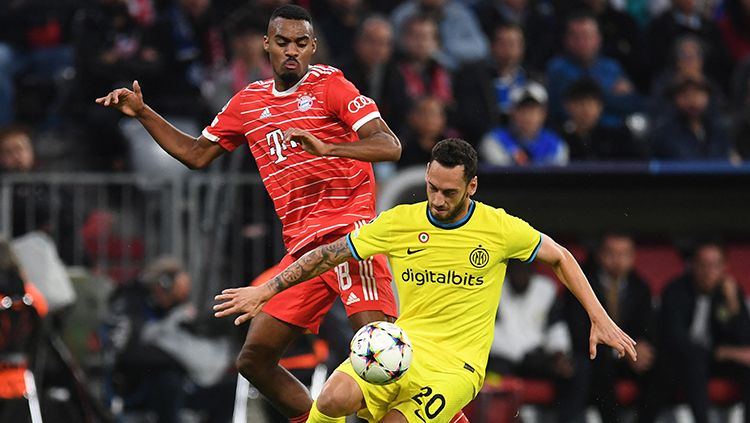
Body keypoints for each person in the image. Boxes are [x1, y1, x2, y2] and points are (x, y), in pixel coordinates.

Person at [96, 5, 402, 422]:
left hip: (351, 240)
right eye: (281, 43)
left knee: (379, 359)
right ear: (266, 46)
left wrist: (328, 147)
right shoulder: (248, 103)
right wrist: (144, 113)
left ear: (312, 47)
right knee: (254, 361)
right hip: (302, 252)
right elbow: (195, 154)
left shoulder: (332, 86)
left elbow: (389, 145)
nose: (290, 51)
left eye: (299, 43)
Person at [214, 138, 637, 423]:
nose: (436, 199)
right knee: (329, 400)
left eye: (448, 192)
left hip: (458, 366)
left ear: (471, 185)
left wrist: (600, 318)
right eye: (431, 187)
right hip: (401, 347)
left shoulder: (499, 228)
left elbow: (560, 257)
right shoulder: (401, 222)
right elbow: (328, 254)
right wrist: (265, 291)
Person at [561, 233, 656, 423]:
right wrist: (622, 347)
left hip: (630, 357)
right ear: (599, 255)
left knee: (661, 368)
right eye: (612, 254)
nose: (618, 261)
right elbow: (578, 333)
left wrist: (642, 347)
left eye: (624, 254)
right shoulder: (581, 284)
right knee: (598, 367)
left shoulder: (640, 287)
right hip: (597, 355)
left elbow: (648, 327)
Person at [479, 81, 569, 166]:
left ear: (544, 113)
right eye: (522, 110)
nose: (528, 116)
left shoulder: (556, 144)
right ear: (512, 113)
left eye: (533, 110)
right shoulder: (494, 140)